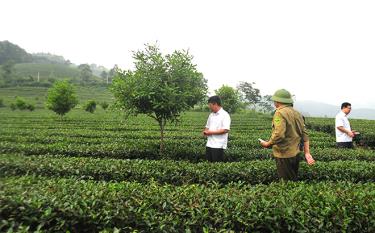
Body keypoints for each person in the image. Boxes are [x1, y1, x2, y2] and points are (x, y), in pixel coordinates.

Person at [260, 89, 315, 181]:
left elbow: (279, 134)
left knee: (286, 183)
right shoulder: (297, 113)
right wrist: (307, 153)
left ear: (277, 101)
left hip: (284, 154)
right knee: (293, 180)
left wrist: (267, 144)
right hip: (296, 153)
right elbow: (305, 135)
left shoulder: (279, 113)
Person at [203, 96, 231, 162]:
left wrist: (210, 132)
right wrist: (205, 131)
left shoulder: (225, 115)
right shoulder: (211, 115)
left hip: (218, 145)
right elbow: (207, 127)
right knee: (208, 164)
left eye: (210, 105)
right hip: (209, 144)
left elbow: (225, 130)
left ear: (215, 104)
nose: (209, 107)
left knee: (216, 166)